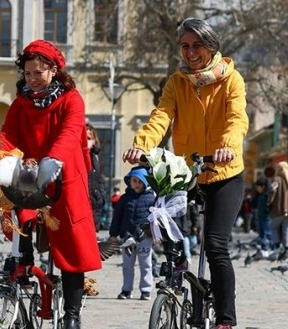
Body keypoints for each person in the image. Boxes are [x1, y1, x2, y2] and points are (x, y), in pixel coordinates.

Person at [123, 18, 248, 329]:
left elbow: (237, 119)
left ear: (211, 47)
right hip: (188, 173)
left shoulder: (232, 81)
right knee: (162, 228)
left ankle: (225, 319)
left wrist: (227, 146)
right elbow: (160, 117)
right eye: (185, 46)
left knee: (216, 245)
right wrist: (141, 146)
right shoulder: (176, 84)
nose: (191, 53)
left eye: (197, 46)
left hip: (224, 173)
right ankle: (177, 273)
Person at [0, 40, 101, 329]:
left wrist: (52, 161)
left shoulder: (72, 99)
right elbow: (7, 134)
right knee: (20, 216)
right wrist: (1, 159)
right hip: (31, 175)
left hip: (65, 177)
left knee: (70, 249)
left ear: (53, 71)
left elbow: (69, 134)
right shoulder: (20, 103)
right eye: (28, 74)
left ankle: (72, 314)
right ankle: (22, 268)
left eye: (38, 73)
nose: (32, 79)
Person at [109, 167, 155, 301]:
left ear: (145, 182)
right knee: (127, 265)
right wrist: (113, 234)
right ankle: (126, 290)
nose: (136, 184)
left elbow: (156, 218)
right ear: (129, 182)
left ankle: (146, 290)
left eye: (140, 181)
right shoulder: (124, 199)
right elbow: (117, 217)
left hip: (145, 237)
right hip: (127, 237)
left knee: (146, 264)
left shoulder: (151, 198)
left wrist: (157, 235)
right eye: (134, 181)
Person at [86, 123, 108, 231]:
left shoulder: (95, 156)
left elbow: (98, 177)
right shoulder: (77, 154)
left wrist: (101, 196)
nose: (86, 141)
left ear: (94, 140)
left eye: (88, 138)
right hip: (82, 204)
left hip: (94, 205)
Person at [268, 161, 288, 251]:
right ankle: (286, 249)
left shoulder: (277, 179)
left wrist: (269, 202)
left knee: (273, 227)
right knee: (285, 229)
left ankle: (276, 247)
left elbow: (273, 190)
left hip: (279, 209)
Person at [253, 178, 272, 251]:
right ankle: (264, 248)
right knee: (261, 234)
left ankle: (272, 248)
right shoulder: (259, 195)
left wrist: (268, 210)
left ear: (263, 186)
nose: (257, 188)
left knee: (268, 234)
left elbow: (271, 205)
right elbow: (254, 204)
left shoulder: (267, 195)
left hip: (267, 218)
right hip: (259, 217)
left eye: (258, 187)